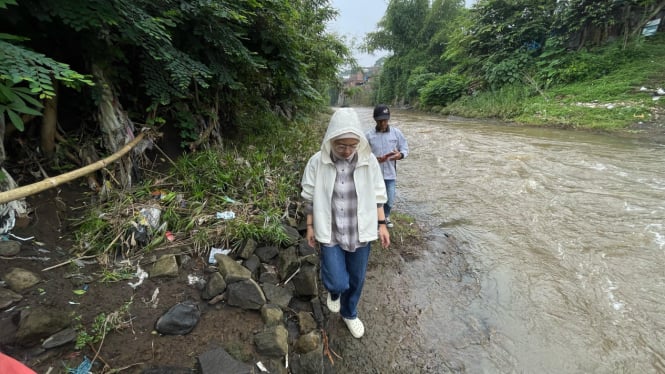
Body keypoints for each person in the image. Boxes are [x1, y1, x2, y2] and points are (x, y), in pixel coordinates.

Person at [301, 108, 390, 339]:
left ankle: (350, 313)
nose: (347, 151)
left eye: (352, 145)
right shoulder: (316, 162)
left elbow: (379, 195)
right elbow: (309, 197)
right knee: (338, 280)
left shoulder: (368, 161)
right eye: (341, 145)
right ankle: (334, 292)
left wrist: (382, 224)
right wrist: (310, 226)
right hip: (330, 230)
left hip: (360, 231)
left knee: (357, 278)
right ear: (331, 140)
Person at [365, 104, 409, 228]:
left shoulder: (396, 133)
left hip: (390, 173)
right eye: (380, 120)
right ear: (375, 120)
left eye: (385, 120)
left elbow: (405, 148)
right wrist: (373, 159)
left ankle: (386, 215)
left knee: (390, 198)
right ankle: (378, 219)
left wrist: (399, 155)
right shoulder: (368, 135)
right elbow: (362, 154)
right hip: (374, 174)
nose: (383, 123)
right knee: (375, 197)